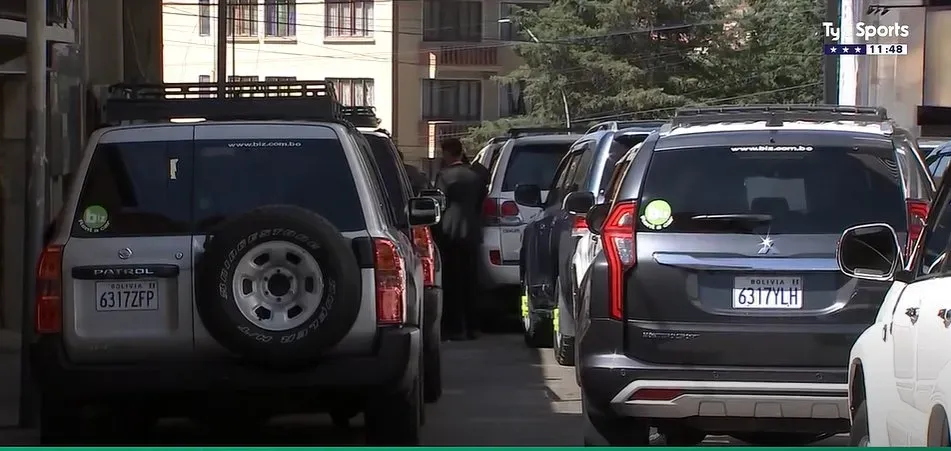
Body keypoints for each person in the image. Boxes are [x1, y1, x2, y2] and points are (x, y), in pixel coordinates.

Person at [433, 138, 487, 340]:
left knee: (452, 281)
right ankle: (473, 326)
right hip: (472, 231)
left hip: (450, 232)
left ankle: (454, 328)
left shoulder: (445, 176)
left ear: (447, 153)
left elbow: (439, 203)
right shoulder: (475, 176)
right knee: (471, 280)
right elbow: (481, 201)